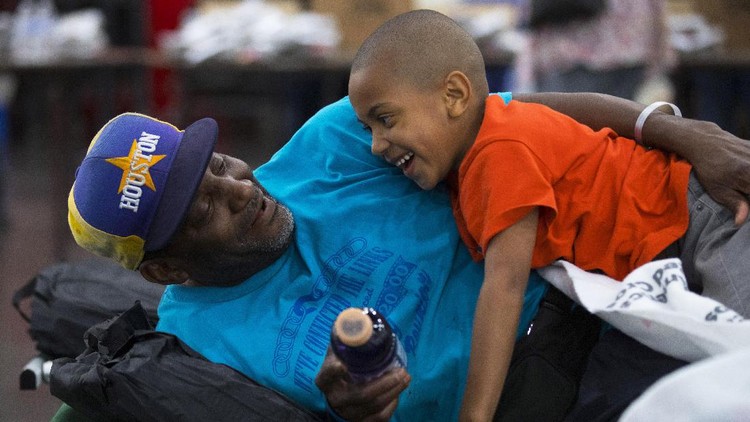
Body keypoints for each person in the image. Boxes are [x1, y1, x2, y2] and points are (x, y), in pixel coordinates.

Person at [68, 96, 750, 420]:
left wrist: (680, 131)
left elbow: (519, 115)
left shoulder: (331, 144)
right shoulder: (196, 355)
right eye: (203, 210)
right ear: (165, 270)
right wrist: (353, 413)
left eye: (217, 165)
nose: (242, 192)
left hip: (599, 305)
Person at [346, 9, 750, 421]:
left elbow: (503, 287)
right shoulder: (479, 148)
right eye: (368, 129)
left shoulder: (497, 153)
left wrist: (474, 416)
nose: (377, 145)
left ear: (454, 96)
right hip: (661, 262)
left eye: (386, 119)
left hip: (710, 220)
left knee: (738, 364)